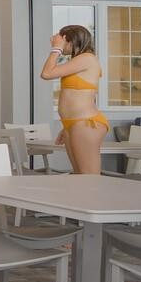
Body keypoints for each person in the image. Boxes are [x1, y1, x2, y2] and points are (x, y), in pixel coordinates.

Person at [41, 24, 105, 175]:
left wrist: (56, 49)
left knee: (89, 176)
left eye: (62, 41)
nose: (59, 44)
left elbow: (47, 73)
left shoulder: (87, 58)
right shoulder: (76, 61)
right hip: (73, 124)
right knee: (79, 175)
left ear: (70, 40)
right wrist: (67, 127)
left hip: (86, 123)